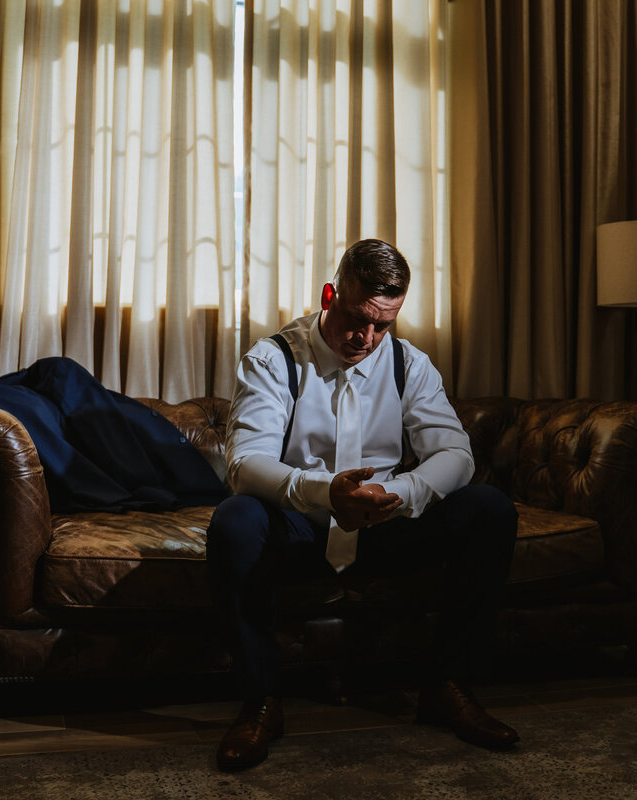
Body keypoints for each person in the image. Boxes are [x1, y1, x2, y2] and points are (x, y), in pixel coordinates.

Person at [207, 238, 520, 772]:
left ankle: (449, 685)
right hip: (301, 528)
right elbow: (246, 464)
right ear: (331, 293)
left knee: (488, 507)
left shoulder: (408, 364)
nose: (366, 337)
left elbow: (455, 452)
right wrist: (323, 492)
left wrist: (400, 496)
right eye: (356, 319)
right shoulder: (273, 359)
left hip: (386, 527)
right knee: (235, 519)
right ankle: (261, 701)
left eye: (383, 325)